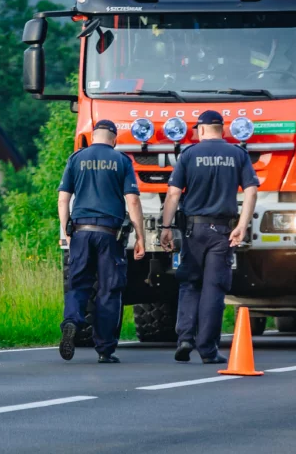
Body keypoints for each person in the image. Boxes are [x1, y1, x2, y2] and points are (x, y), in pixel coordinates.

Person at [159, 110, 259, 364]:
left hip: (193, 231)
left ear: (201, 130)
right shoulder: (238, 154)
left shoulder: (189, 154)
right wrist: (243, 225)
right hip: (223, 232)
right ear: (222, 130)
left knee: (190, 284)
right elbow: (251, 192)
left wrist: (166, 227)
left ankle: (184, 338)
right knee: (214, 289)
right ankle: (208, 350)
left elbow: (173, 194)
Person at [58, 120, 146, 363]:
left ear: (93, 136)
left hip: (80, 230)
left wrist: (64, 230)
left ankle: (71, 321)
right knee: (110, 289)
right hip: (110, 234)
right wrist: (141, 236)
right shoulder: (122, 161)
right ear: (114, 139)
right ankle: (105, 350)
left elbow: (64, 199)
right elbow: (133, 201)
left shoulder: (75, 158)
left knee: (78, 284)